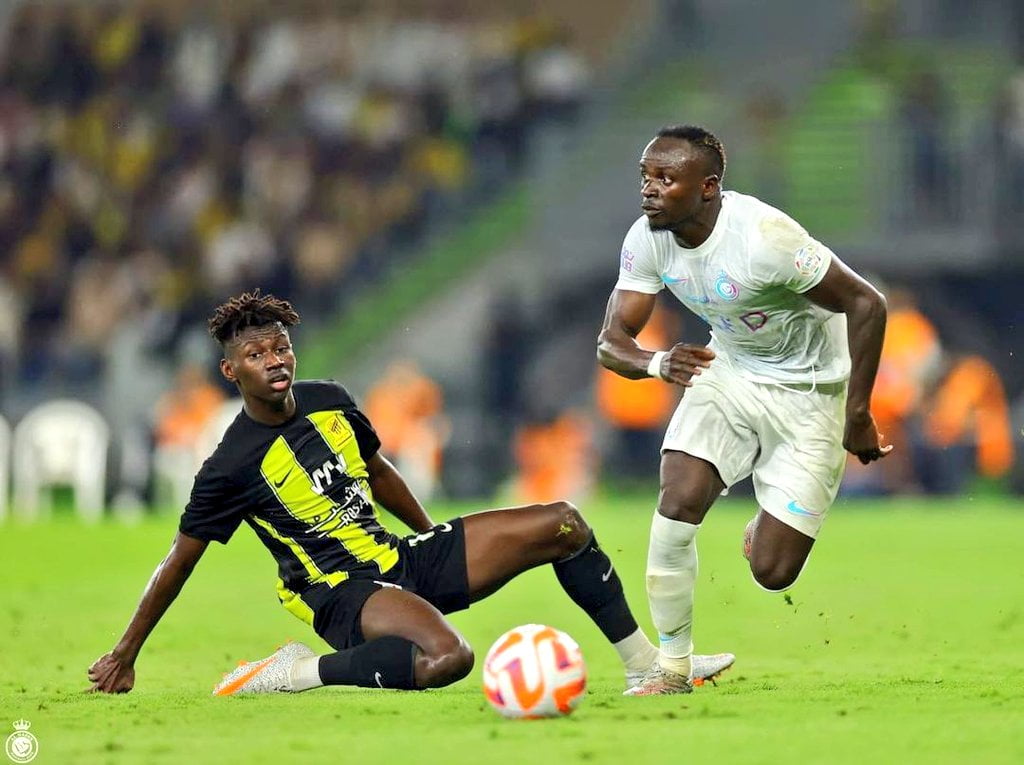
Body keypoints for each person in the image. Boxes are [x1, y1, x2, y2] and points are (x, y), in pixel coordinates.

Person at [88, 290, 733, 696]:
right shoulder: (229, 466)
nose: (277, 360)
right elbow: (179, 560)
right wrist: (124, 653)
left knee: (564, 523)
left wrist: (428, 534)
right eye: (257, 354)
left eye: (281, 347)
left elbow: (378, 470)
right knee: (448, 657)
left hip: (399, 559)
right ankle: (298, 671)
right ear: (232, 372)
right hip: (340, 595)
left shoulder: (329, 400)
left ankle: (647, 667)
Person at [597, 125, 891, 696]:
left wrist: (858, 412)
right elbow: (612, 341)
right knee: (678, 498)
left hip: (813, 393)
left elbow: (866, 303)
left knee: (772, 573)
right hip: (728, 371)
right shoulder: (647, 238)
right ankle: (673, 667)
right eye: (645, 177)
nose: (649, 191)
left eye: (665, 178)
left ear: (707, 188)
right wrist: (659, 365)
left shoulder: (763, 237)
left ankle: (766, 525)